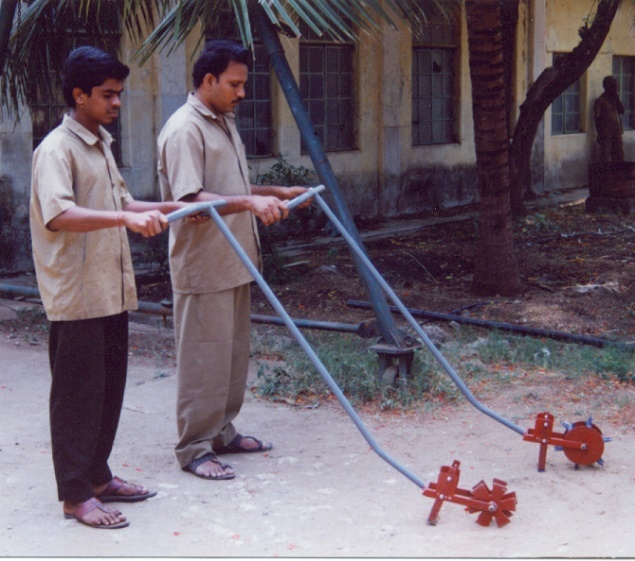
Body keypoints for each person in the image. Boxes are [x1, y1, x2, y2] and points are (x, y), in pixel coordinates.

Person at [29, 46, 198, 529]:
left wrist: (177, 208)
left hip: (110, 291)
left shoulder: (100, 144)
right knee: (76, 399)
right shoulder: (55, 151)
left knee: (107, 392)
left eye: (119, 94)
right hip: (76, 296)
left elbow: (125, 200)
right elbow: (59, 214)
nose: (117, 103)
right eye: (108, 95)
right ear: (79, 95)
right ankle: (75, 495)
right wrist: (125, 217)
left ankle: (99, 478)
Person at [158, 40, 309, 480]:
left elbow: (231, 187)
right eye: (235, 84)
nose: (242, 93)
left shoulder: (221, 121)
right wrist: (248, 202)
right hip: (203, 264)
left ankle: (222, 431)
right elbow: (191, 199)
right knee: (204, 358)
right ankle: (195, 447)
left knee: (231, 355)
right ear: (208, 81)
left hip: (235, 259)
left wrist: (275, 194)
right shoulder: (186, 128)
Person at [593, 75, 625, 163]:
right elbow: (597, 119)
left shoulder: (614, 100)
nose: (616, 88)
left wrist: (617, 100)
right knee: (605, 159)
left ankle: (618, 176)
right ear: (608, 86)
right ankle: (605, 176)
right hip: (606, 135)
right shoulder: (600, 101)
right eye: (614, 86)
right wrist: (600, 134)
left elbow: (622, 111)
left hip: (617, 133)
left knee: (619, 157)